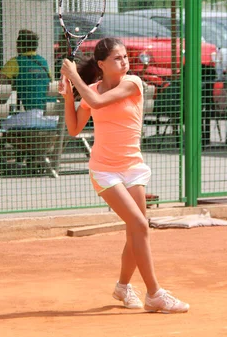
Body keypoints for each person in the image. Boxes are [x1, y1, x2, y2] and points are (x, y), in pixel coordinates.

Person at [60, 38, 189, 314]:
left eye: (125, 56)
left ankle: (122, 286)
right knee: (141, 226)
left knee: (136, 231)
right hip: (105, 171)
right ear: (102, 65)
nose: (124, 61)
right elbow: (73, 128)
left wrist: (73, 77)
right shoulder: (92, 90)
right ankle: (155, 294)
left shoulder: (133, 84)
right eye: (117, 58)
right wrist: (69, 94)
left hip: (133, 168)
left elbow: (97, 101)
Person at [0, 29, 51, 113]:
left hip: (33, 115)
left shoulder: (15, 62)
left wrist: (13, 83)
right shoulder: (44, 62)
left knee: (4, 124)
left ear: (20, 45)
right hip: (52, 114)